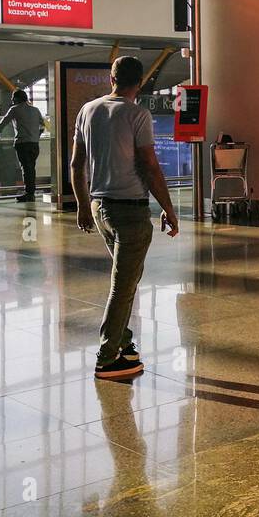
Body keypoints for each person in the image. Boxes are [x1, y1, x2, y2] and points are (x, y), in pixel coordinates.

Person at [70, 56, 179, 379]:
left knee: (126, 281)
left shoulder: (87, 110)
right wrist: (169, 209)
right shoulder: (137, 114)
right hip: (129, 210)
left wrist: (81, 204)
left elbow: (77, 165)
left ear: (111, 79)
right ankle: (107, 356)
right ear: (140, 82)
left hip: (99, 206)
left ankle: (124, 342)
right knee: (123, 286)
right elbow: (149, 165)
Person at [0, 88, 45, 202]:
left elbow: (3, 122)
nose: (12, 100)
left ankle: (29, 194)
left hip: (22, 144)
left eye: (13, 98)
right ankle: (31, 192)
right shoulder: (35, 110)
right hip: (34, 144)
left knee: (26, 169)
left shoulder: (14, 109)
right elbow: (42, 126)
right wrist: (36, 136)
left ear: (17, 99)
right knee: (31, 169)